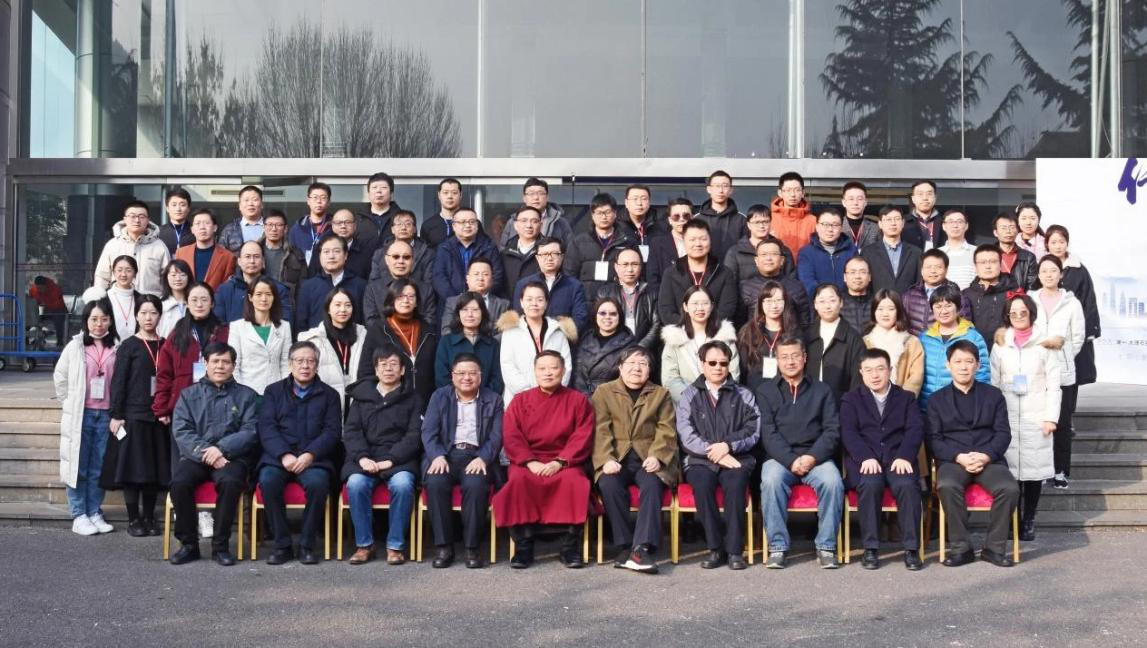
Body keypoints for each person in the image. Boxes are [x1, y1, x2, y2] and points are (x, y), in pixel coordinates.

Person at [493, 351, 595, 569]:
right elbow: (511, 435)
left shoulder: (578, 400)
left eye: (553, 368)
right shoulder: (520, 400)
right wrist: (530, 462)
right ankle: (523, 546)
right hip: (528, 461)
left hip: (565, 461)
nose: (548, 373)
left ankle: (570, 547)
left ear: (563, 370)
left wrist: (560, 462)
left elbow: (582, 435)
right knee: (518, 482)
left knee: (575, 482)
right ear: (535, 371)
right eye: (542, 368)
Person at [671, 340, 761, 572]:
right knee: (702, 486)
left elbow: (753, 429)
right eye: (712, 363)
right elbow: (685, 433)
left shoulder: (744, 394)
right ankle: (715, 548)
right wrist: (715, 452)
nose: (718, 367)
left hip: (737, 457)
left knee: (736, 485)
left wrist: (728, 446)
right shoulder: (689, 395)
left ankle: (734, 551)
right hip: (700, 459)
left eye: (723, 363)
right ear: (702, 364)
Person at [928, 340, 1019, 568]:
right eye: (958, 361)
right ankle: (962, 548)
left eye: (969, 361)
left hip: (988, 459)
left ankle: (994, 548)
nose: (963, 367)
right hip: (954, 460)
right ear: (948, 365)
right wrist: (959, 457)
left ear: (978, 365)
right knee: (947, 485)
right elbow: (934, 439)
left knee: (1009, 488)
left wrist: (985, 455)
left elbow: (1003, 433)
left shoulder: (993, 395)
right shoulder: (936, 400)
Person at [168, 342, 259, 566]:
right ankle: (189, 545)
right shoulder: (188, 395)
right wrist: (207, 452)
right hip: (195, 456)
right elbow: (182, 431)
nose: (220, 366)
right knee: (179, 482)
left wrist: (222, 449)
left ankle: (220, 546)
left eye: (226, 362)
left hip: (232, 457)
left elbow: (251, 430)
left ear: (233, 366)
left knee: (230, 482)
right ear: (205, 363)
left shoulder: (246, 396)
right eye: (215, 361)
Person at [756, 336, 843, 569]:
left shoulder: (822, 390)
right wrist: (791, 460)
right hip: (780, 458)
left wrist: (812, 457)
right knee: (771, 480)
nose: (790, 361)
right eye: (784, 357)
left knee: (833, 481)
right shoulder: (765, 391)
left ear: (805, 358)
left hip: (816, 457)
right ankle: (777, 547)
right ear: (777, 360)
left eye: (795, 355)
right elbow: (768, 433)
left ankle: (826, 546)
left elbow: (832, 430)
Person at [591, 346, 678, 573]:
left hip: (647, 457)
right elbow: (600, 429)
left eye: (643, 364)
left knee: (652, 484)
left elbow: (666, 429)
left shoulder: (660, 394)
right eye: (631, 363)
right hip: (616, 457)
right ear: (620, 368)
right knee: (609, 484)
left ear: (650, 370)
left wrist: (657, 456)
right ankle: (625, 545)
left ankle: (641, 548)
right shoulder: (604, 392)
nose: (636, 368)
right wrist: (606, 459)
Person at [256, 342, 342, 565]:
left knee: (318, 484)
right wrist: (284, 454)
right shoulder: (273, 391)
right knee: (268, 481)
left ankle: (307, 545)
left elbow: (332, 432)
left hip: (314, 459)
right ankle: (282, 545)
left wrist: (310, 454)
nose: (305, 366)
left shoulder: (330, 395)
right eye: (300, 361)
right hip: (279, 458)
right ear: (290, 364)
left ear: (317, 365)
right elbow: (267, 427)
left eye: (310, 361)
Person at [839, 348, 925, 570]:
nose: (874, 375)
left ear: (890, 370)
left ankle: (912, 548)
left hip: (898, 460)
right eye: (868, 370)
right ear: (861, 372)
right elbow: (848, 432)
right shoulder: (851, 399)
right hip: (866, 462)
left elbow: (915, 429)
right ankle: (870, 548)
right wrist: (865, 457)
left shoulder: (906, 398)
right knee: (869, 484)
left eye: (880, 369)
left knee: (907, 485)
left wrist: (905, 455)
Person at [342, 344, 423, 565]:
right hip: (365, 458)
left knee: (403, 485)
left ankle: (395, 546)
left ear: (403, 370)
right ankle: (364, 545)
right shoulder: (361, 398)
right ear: (376, 370)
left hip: (399, 459)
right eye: (383, 364)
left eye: (394, 364)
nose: (388, 369)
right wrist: (362, 458)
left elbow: (414, 435)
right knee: (356, 484)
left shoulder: (413, 398)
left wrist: (391, 459)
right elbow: (351, 431)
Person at [421, 354, 504, 569]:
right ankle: (444, 547)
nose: (466, 377)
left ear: (480, 376)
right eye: (461, 373)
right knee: (435, 482)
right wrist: (437, 455)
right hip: (445, 455)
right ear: (452, 376)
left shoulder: (493, 399)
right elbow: (428, 431)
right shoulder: (439, 396)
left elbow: (497, 436)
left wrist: (483, 457)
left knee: (476, 485)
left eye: (472, 373)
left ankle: (472, 548)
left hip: (476, 456)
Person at [991, 294, 1061, 542]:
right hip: (1008, 415)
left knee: (1033, 471)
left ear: (1031, 313)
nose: (1019, 316)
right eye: (1013, 313)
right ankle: (1012, 520)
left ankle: (1029, 519)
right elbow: (994, 382)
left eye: (1023, 312)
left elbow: (1054, 385)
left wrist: (1051, 417)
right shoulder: (1001, 344)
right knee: (1010, 472)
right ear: (1007, 316)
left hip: (1036, 415)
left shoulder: (1046, 344)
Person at [104, 294, 168, 537]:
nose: (148, 318)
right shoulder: (129, 346)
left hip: (159, 417)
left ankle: (149, 517)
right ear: (136, 316)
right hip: (133, 416)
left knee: (152, 471)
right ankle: (133, 520)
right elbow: (118, 382)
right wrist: (116, 414)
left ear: (160, 316)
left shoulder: (166, 345)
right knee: (132, 471)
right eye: (143, 313)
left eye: (153, 313)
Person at [54, 298, 119, 536]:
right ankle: (79, 514)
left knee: (98, 466)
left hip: (106, 415)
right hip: (82, 414)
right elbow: (60, 377)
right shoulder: (75, 347)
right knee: (78, 466)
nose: (99, 324)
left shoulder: (117, 347)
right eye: (94, 319)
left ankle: (94, 511)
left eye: (104, 319)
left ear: (110, 321)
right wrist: (69, 403)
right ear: (86, 321)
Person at [1035, 248, 1089, 488]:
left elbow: (1077, 337)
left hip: (1063, 372)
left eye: (1053, 270)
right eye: (1044, 271)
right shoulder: (1030, 299)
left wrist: (1062, 355)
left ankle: (1060, 470)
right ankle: (1042, 469)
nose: (1049, 275)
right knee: (1039, 422)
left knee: (1063, 423)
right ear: (1038, 275)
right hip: (1036, 371)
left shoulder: (1072, 303)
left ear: (1061, 274)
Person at [152, 283, 230, 426]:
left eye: (204, 299)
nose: (199, 304)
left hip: (218, 403)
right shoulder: (177, 334)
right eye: (194, 300)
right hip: (182, 405)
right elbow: (164, 374)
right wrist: (162, 407)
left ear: (212, 303)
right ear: (187, 303)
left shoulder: (224, 332)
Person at [357, 279, 439, 405]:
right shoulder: (378, 330)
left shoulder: (428, 331)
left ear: (417, 302)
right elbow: (365, 371)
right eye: (400, 296)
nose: (406, 300)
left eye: (411, 296)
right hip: (390, 403)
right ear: (392, 300)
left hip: (426, 402)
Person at [497, 282, 575, 405]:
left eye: (539, 299)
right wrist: (530, 395)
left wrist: (551, 391)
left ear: (546, 303)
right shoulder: (510, 331)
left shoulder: (558, 331)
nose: (534, 303)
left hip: (553, 400)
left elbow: (566, 366)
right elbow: (508, 366)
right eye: (529, 299)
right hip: (519, 401)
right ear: (521, 302)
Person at [661, 287, 740, 403]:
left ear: (712, 306)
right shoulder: (674, 338)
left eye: (705, 303)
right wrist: (694, 400)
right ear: (685, 306)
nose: (700, 308)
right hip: (687, 405)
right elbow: (670, 379)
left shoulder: (724, 336)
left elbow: (733, 373)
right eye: (695, 303)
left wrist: (716, 398)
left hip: (721, 404)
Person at [1046, 226, 1100, 393]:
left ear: (1067, 243)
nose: (1058, 246)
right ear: (1047, 244)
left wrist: (1090, 329)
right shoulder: (1043, 267)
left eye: (1061, 242)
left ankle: (1069, 408)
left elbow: (1089, 299)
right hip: (1049, 328)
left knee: (1071, 373)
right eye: (1053, 242)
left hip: (1072, 328)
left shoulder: (1079, 269)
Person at [919, 286, 991, 409]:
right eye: (938, 306)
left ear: (958, 308)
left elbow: (983, 375)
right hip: (927, 407)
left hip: (962, 408)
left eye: (948, 305)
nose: (943, 311)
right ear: (932, 309)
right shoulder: (924, 338)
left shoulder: (974, 337)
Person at [656, 220, 737, 327]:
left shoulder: (724, 273)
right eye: (692, 239)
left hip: (715, 332)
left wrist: (704, 329)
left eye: (703, 239)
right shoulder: (670, 273)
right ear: (684, 241)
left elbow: (727, 310)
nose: (698, 244)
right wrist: (690, 328)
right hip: (680, 332)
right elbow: (666, 311)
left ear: (710, 240)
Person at [298, 287, 367, 408]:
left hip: (356, 402)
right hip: (325, 402)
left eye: (348, 305)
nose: (343, 309)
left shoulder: (363, 334)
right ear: (328, 309)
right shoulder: (314, 339)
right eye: (337, 305)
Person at [563, 193, 636, 301]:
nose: (604, 217)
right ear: (592, 215)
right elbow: (569, 275)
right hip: (585, 301)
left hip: (617, 301)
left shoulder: (627, 242)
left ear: (615, 213)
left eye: (607, 212)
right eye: (599, 213)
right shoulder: (578, 242)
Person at [511, 237, 589, 332]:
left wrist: (557, 332)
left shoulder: (574, 286)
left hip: (562, 337)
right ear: (537, 258)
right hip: (529, 337)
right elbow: (518, 315)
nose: (549, 258)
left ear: (562, 257)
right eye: (544, 254)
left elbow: (580, 318)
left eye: (555, 254)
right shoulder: (523, 284)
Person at [93, 200, 171, 296]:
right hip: (118, 300)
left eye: (142, 217)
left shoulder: (159, 246)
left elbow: (168, 278)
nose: (137, 220)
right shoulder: (112, 245)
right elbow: (102, 276)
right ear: (125, 219)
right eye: (132, 216)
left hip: (151, 302)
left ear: (148, 220)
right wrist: (99, 299)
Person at [230, 277, 292, 396]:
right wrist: (240, 394)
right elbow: (234, 365)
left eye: (268, 294)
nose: (264, 299)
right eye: (259, 294)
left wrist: (284, 391)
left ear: (274, 298)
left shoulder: (284, 326)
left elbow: (285, 363)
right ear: (250, 297)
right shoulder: (237, 327)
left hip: (276, 392)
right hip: (247, 393)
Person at [737, 279, 803, 391]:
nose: (774, 306)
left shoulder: (794, 332)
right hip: (755, 390)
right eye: (768, 301)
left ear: (785, 303)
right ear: (760, 304)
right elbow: (743, 369)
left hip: (785, 390)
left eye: (778, 300)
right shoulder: (748, 331)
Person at [432, 207, 504, 307]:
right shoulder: (444, 248)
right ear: (454, 226)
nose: (467, 225)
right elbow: (438, 277)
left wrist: (479, 299)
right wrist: (456, 301)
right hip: (451, 306)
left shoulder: (489, 247)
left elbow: (497, 276)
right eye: (462, 222)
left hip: (483, 305)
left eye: (472, 222)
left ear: (477, 225)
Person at [294, 233, 367, 331]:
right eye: (326, 252)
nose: (331, 256)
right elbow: (300, 324)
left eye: (336, 251)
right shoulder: (308, 287)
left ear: (346, 255)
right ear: (319, 256)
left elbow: (365, 321)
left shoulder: (360, 286)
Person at [806, 284, 866, 403]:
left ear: (841, 303)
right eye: (822, 301)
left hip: (840, 404)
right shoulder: (807, 336)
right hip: (809, 404)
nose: (827, 306)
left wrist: (850, 406)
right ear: (815, 305)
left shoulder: (853, 337)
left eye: (832, 300)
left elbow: (857, 379)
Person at [436, 291, 503, 393]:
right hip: (452, 400)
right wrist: (461, 398)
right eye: (465, 310)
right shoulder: (446, 342)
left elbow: (497, 380)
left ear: (483, 313)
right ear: (458, 313)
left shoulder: (493, 344)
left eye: (475, 310)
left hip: (487, 401)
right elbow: (442, 379)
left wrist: (482, 398)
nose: (470, 314)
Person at [596, 247, 661, 350]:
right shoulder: (605, 293)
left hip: (644, 351)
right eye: (625, 264)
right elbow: (600, 323)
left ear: (641, 267)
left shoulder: (651, 293)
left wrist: (639, 348)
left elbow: (656, 325)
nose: (630, 269)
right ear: (616, 267)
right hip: (613, 350)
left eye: (635, 264)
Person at [214, 240, 293, 324]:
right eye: (247, 257)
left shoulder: (278, 290)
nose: (252, 261)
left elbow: (284, 324)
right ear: (239, 261)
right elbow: (218, 324)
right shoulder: (225, 290)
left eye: (256, 256)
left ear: (263, 261)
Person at [364, 239, 437, 329]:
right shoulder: (373, 289)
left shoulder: (426, 290)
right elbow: (371, 321)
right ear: (387, 260)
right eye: (396, 257)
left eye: (406, 257)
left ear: (412, 261)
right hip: (382, 337)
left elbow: (429, 322)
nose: (401, 261)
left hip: (416, 336)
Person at [863, 290, 924, 396]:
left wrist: (901, 401)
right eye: (880, 309)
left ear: (898, 311)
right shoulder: (865, 342)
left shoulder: (912, 342)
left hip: (902, 401)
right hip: (869, 401)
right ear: (874, 312)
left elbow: (916, 378)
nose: (885, 314)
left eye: (891, 309)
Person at [740, 239, 811, 329]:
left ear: (782, 260)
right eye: (764, 254)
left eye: (773, 254)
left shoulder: (796, 287)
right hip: (755, 336)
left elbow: (804, 321)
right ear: (756, 260)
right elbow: (740, 322)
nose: (768, 258)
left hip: (789, 336)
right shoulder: (746, 287)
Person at [962, 244, 1021, 350]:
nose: (988, 266)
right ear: (975, 266)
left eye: (993, 262)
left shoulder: (1015, 293)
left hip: (1007, 350)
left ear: (1000, 264)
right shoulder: (965, 295)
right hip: (974, 351)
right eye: (982, 262)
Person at [723, 203, 796, 286]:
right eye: (757, 222)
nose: (761, 226)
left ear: (771, 223)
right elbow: (729, 284)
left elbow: (791, 282)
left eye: (765, 222)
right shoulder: (735, 252)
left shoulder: (783, 250)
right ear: (749, 225)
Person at [574, 297, 634, 396]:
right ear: (595, 316)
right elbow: (577, 374)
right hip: (579, 398)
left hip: (609, 400)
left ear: (620, 317)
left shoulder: (630, 345)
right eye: (602, 313)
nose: (607, 317)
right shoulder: (584, 338)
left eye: (613, 314)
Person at [439, 258, 511, 335]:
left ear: (492, 279)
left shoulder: (503, 305)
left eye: (485, 274)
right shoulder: (453, 302)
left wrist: (485, 342)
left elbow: (505, 333)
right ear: (467, 278)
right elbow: (446, 331)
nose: (480, 278)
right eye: (476, 274)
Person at [798, 207, 858, 297]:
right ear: (817, 227)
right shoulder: (806, 253)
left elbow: (856, 280)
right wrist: (826, 299)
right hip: (819, 302)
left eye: (835, 225)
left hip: (848, 302)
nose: (830, 229)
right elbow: (807, 283)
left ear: (841, 228)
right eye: (825, 224)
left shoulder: (851, 251)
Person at [902, 249, 964, 336]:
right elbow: (901, 324)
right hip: (915, 343)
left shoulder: (957, 295)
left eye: (938, 267)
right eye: (928, 267)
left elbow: (964, 328)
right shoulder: (909, 295)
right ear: (922, 270)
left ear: (946, 270)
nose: (933, 271)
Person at [862, 205, 922, 295]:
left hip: (908, 303)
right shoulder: (868, 252)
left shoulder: (916, 252)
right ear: (880, 224)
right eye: (888, 219)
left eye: (897, 219)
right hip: (879, 302)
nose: (893, 223)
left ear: (903, 223)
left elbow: (919, 283)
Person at [498, 177, 573, 247]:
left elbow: (570, 250)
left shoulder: (560, 222)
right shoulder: (513, 222)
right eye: (531, 193)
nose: (536, 197)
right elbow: (503, 248)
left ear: (547, 197)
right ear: (524, 198)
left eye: (540, 193)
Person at [307, 208, 377, 281]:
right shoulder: (321, 248)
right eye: (338, 223)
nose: (343, 226)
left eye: (348, 222)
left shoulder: (366, 251)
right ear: (332, 225)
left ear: (355, 226)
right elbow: (312, 277)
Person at [175, 209, 236, 290]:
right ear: (192, 229)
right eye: (198, 224)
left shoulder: (228, 257)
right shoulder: (181, 253)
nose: (202, 227)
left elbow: (227, 287)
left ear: (215, 228)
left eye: (207, 223)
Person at [369, 209, 434, 284]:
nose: (403, 228)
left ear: (415, 229)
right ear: (392, 229)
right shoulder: (380, 254)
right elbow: (373, 282)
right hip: (385, 291)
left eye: (408, 224)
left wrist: (410, 290)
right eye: (399, 224)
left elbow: (428, 283)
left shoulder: (427, 254)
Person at [645, 198, 694, 293]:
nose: (681, 219)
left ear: (692, 218)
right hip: (667, 296)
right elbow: (652, 278)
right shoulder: (657, 243)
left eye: (686, 216)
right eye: (676, 216)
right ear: (670, 220)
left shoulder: (701, 241)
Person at [261, 209, 309, 303]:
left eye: (278, 225)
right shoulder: (254, 252)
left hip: (286, 304)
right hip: (259, 303)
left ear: (285, 228)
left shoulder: (296, 255)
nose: (274, 229)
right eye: (270, 225)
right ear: (264, 227)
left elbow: (303, 287)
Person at [769, 171, 816, 261]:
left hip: (805, 267)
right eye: (788, 190)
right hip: (778, 268)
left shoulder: (814, 221)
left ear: (803, 192)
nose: (793, 194)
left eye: (797, 190)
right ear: (780, 193)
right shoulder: (769, 219)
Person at [500, 206, 542, 297]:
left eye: (534, 221)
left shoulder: (547, 252)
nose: (529, 225)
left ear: (541, 225)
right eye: (524, 221)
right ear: (515, 225)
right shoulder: (505, 253)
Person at [288, 182, 334, 265]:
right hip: (303, 272)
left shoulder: (335, 228)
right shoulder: (296, 229)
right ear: (308, 201)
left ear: (329, 202)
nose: (319, 201)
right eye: (315, 197)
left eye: (323, 198)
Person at [992, 213, 1038, 290]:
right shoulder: (987, 255)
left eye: (1012, 227)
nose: (1008, 231)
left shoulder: (1029, 257)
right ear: (995, 232)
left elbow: (1032, 287)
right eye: (1003, 228)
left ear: (1017, 231)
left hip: (1021, 297)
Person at [614, 184, 664, 252]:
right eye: (635, 199)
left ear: (649, 202)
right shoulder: (615, 227)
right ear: (626, 203)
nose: (639, 203)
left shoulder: (662, 227)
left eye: (644, 199)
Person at [218, 185, 265, 253]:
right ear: (240, 206)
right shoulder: (229, 230)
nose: (250, 203)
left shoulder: (272, 227)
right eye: (246, 200)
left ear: (262, 204)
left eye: (255, 200)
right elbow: (221, 255)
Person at [357, 172, 401, 243]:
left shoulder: (401, 217)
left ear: (391, 193)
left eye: (384, 187)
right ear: (368, 193)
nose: (379, 191)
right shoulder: (358, 218)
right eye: (374, 187)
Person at [420, 178, 464, 250]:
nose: (450, 196)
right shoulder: (428, 225)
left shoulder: (471, 223)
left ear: (461, 195)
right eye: (445, 192)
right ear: (439, 195)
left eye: (454, 193)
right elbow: (424, 253)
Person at [104, 255, 142, 337]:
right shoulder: (104, 297)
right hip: (109, 344)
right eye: (119, 270)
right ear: (113, 272)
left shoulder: (141, 299)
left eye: (128, 270)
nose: (123, 274)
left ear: (135, 273)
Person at [938, 209, 977, 289]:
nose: (955, 225)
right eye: (950, 222)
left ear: (966, 226)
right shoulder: (937, 254)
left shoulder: (977, 252)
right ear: (944, 226)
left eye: (959, 222)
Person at [29, 275, 68, 347]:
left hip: (57, 310)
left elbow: (58, 304)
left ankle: (60, 341)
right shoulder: (34, 290)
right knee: (31, 315)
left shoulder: (55, 289)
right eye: (38, 288)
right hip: (43, 310)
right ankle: (31, 337)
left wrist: (45, 305)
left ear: (45, 285)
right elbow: (30, 299)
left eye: (41, 288)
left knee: (59, 319)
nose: (39, 290)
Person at [841, 181, 881, 249]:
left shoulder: (875, 228)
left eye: (860, 199)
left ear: (865, 202)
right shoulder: (836, 227)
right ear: (844, 202)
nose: (855, 203)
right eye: (851, 199)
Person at [905, 180, 944, 250]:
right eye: (920, 194)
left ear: (935, 198)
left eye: (929, 194)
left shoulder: (945, 222)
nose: (925, 198)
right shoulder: (902, 222)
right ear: (913, 199)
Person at [158, 259, 193, 337]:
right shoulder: (160, 304)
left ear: (189, 277)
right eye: (173, 275)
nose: (178, 279)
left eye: (182, 275)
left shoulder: (194, 303)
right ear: (166, 277)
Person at [840, 256, 874, 334]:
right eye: (853, 272)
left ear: (869, 277)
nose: (857, 276)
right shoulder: (838, 303)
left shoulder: (878, 303)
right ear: (845, 277)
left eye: (863, 272)